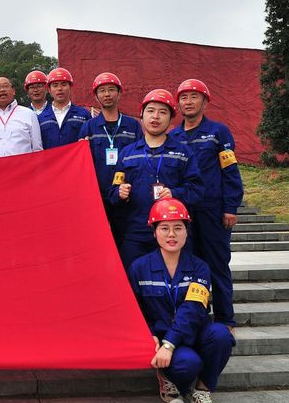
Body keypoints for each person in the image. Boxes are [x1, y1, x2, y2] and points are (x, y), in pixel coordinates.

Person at [129, 198, 234, 403]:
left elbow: (193, 309)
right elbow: (135, 309)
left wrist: (170, 344)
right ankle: (169, 381)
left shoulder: (200, 267)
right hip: (163, 335)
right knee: (188, 364)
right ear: (154, 232)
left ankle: (202, 388)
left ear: (187, 232)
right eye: (164, 228)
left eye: (178, 228)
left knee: (221, 335)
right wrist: (149, 335)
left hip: (193, 331)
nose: (171, 234)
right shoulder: (139, 268)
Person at [169, 79, 244, 330]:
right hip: (184, 212)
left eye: (194, 97)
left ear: (205, 102)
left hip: (212, 210)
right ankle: (198, 316)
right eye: (183, 97)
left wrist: (230, 207)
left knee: (217, 264)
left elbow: (230, 172)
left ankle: (225, 319)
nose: (188, 102)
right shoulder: (173, 136)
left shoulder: (218, 132)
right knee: (189, 266)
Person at [108, 89, 204, 270]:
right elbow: (112, 191)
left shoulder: (183, 153)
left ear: (171, 118)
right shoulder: (127, 154)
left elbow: (197, 190)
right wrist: (119, 193)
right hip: (136, 233)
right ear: (141, 115)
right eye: (150, 111)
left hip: (172, 234)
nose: (156, 117)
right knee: (132, 280)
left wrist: (175, 193)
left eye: (163, 112)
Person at [79, 72, 143, 247]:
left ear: (119, 93)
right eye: (102, 91)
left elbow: (140, 157)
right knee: (97, 241)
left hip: (126, 194)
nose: (107, 94)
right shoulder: (88, 127)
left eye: (111, 90)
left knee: (126, 241)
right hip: (97, 195)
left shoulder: (133, 126)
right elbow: (81, 163)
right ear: (96, 96)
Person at [0, 77, 42, 157]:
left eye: (5, 86)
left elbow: (37, 149)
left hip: (23, 164)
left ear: (13, 91)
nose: (2, 90)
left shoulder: (29, 114)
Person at [39, 67, 91, 149]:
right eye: (55, 85)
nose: (59, 89)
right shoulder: (41, 118)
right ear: (49, 90)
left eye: (64, 85)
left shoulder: (84, 114)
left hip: (76, 157)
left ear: (70, 87)